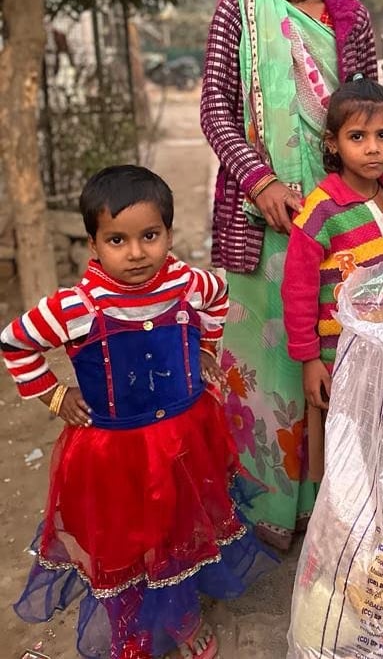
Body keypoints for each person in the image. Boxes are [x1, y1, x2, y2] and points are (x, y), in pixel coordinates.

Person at [1, 165, 277, 659]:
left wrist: (205, 349)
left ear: (169, 233)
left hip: (185, 442)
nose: (135, 252)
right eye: (116, 239)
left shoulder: (188, 283)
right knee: (124, 544)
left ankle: (182, 618)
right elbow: (15, 343)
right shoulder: (76, 305)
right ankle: (130, 629)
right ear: (94, 244)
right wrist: (55, 395)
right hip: (113, 455)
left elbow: (217, 298)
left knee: (179, 529)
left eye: (150, 236)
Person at [200, 0, 378, 549]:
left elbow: (365, 110)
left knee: (330, 355)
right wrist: (260, 180)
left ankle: (330, 506)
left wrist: (347, 200)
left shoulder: (350, 16)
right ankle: (264, 511)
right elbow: (215, 107)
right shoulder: (237, 7)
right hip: (259, 219)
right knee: (264, 366)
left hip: (333, 215)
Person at [281, 76, 383, 474]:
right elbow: (298, 290)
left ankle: (381, 519)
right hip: (336, 358)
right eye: (357, 136)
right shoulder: (321, 210)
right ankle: (341, 529)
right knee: (342, 452)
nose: (373, 147)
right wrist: (309, 360)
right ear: (332, 143)